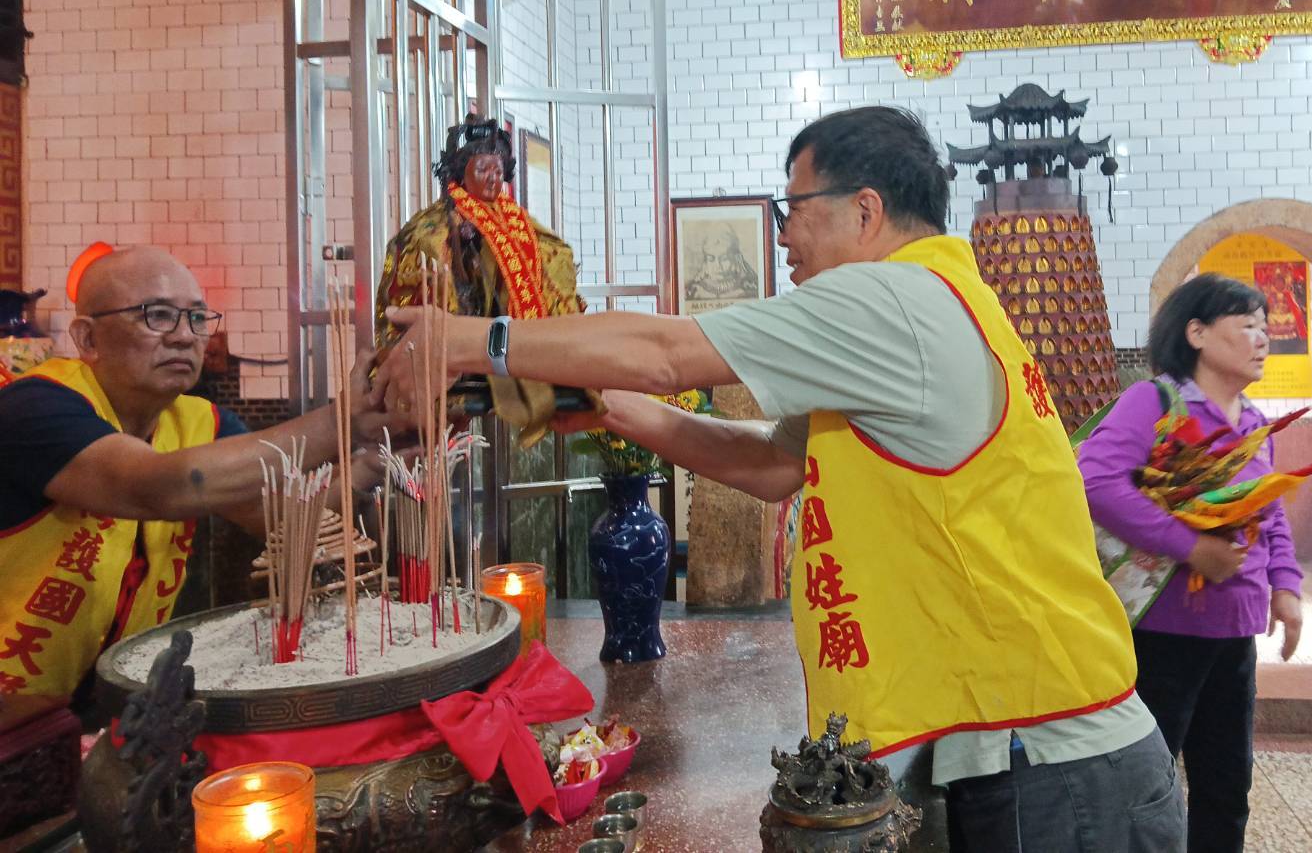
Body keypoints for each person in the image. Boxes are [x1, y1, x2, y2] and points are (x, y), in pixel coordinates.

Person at [374, 105, 1185, 851]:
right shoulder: (932, 300)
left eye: (791, 208)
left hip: (1055, 769)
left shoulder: (892, 299)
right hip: (1027, 751)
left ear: (865, 211)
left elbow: (668, 353)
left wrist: (472, 340)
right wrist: (611, 409)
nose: (785, 236)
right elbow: (771, 464)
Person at [0, 246, 390, 702]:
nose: (185, 336)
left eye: (198, 319)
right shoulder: (33, 406)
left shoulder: (202, 423)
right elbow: (154, 487)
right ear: (88, 339)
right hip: (14, 711)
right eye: (157, 315)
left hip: (114, 699)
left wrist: (374, 462)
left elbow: (285, 518)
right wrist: (341, 423)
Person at [1077, 272, 1304, 853]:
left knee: (1226, 786)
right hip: (1163, 631)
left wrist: (1285, 586)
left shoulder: (1254, 422)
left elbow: (1271, 513)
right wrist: (1191, 546)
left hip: (1235, 634)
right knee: (1147, 787)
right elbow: (1095, 481)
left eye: (1265, 327)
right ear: (1197, 333)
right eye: (1247, 325)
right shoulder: (1154, 402)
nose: (1263, 338)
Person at [376, 114, 596, 443]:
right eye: (482, 170)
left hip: (509, 331)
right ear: (461, 173)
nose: (492, 179)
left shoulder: (514, 216)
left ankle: (550, 346)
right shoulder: (432, 226)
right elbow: (421, 254)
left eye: (497, 170)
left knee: (554, 252)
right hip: (463, 319)